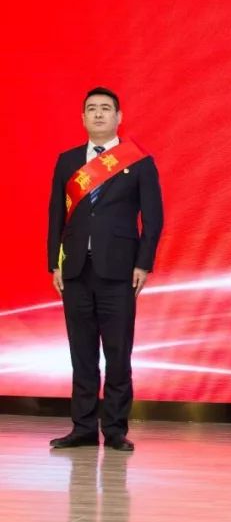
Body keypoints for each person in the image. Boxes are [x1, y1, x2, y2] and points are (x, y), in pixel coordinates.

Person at [47, 87, 164, 451]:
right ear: (83, 118)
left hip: (119, 271)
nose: (98, 114)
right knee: (81, 354)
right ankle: (82, 427)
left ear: (118, 117)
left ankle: (114, 429)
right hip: (76, 270)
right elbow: (56, 216)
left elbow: (154, 219)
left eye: (105, 109)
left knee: (117, 353)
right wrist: (54, 263)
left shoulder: (139, 162)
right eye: (92, 109)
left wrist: (143, 263)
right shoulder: (68, 161)